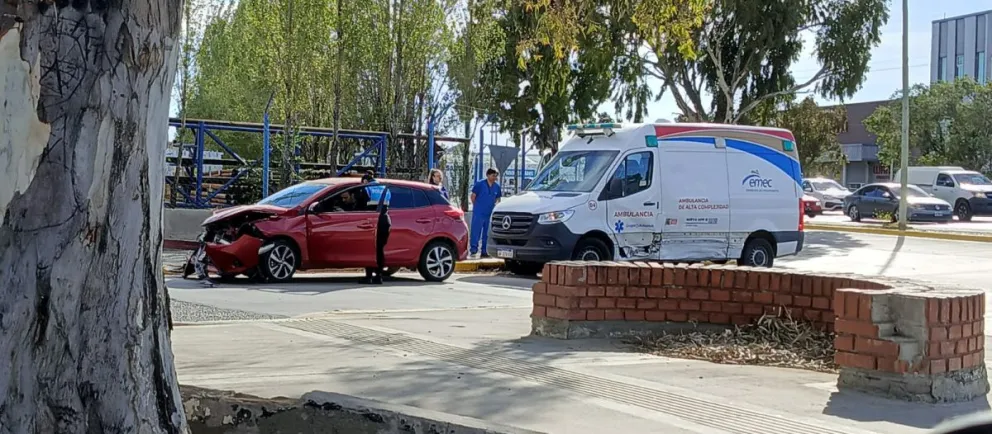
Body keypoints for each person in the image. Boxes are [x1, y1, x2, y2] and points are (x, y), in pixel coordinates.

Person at [360, 172, 391, 284]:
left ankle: (368, 276)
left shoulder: (367, 188)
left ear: (365, 181)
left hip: (372, 220)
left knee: (369, 248)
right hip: (385, 220)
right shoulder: (385, 189)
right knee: (380, 249)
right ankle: (379, 276)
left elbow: (361, 205)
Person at [469, 168, 502, 258]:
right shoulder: (480, 184)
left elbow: (498, 199)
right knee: (476, 232)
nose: (494, 178)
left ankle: (484, 251)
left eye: (496, 176)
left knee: (487, 233)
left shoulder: (497, 187)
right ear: (488, 175)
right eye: (493, 175)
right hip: (479, 212)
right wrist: (477, 206)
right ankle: (473, 250)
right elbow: (473, 196)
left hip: (489, 213)